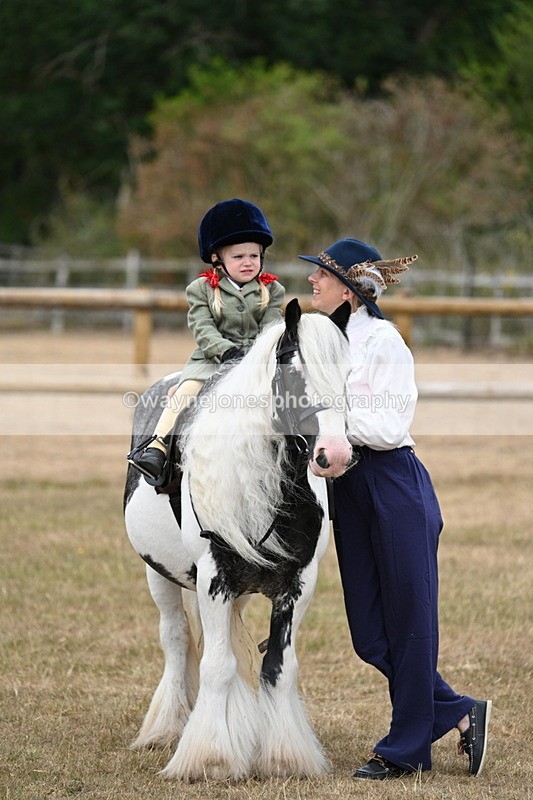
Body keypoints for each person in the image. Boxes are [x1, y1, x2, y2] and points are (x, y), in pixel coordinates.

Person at [299, 238, 491, 780]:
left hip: (393, 484)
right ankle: (456, 711)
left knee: (410, 623)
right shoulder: (326, 341)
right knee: (368, 633)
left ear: (350, 289)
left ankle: (405, 749)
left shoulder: (383, 341)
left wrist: (331, 425)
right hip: (349, 489)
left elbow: (387, 427)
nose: (313, 281)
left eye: (321, 275)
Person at [130, 198, 285, 480]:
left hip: (257, 362)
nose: (248, 262)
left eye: (254, 256)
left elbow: (272, 327)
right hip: (211, 360)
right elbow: (202, 329)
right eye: (238, 257)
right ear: (218, 259)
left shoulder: (272, 290)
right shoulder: (200, 289)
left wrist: (255, 356)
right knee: (184, 393)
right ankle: (157, 447)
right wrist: (226, 351)